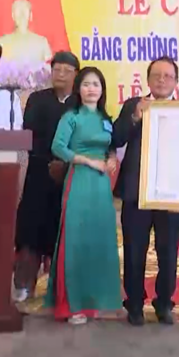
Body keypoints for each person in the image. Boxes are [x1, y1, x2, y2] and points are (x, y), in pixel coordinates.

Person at [42, 67, 121, 324]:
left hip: (101, 185)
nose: (91, 89)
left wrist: (111, 158)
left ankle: (93, 300)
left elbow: (110, 146)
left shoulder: (105, 118)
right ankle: (72, 304)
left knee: (98, 239)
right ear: (79, 89)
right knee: (75, 240)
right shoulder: (71, 117)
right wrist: (87, 161)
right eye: (86, 84)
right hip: (79, 180)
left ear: (102, 89)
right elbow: (58, 147)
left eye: (96, 84)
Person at [112, 56, 179, 326]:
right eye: (156, 75)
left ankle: (164, 303)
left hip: (171, 193)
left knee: (168, 251)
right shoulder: (134, 105)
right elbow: (116, 138)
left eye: (167, 76)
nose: (162, 80)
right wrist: (135, 117)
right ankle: (134, 304)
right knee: (134, 249)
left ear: (176, 82)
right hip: (137, 191)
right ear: (148, 79)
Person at [13, 51, 78, 302]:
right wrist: (50, 161)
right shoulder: (37, 99)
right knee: (30, 230)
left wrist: (65, 163)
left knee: (61, 231)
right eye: (57, 69)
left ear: (75, 75)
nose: (61, 74)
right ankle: (24, 285)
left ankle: (58, 288)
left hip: (70, 175)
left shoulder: (81, 103)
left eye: (67, 71)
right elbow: (30, 134)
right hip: (39, 173)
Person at [0, 0, 53, 69]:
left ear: (31, 15)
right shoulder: (2, 42)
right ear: (13, 16)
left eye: (25, 10)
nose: (22, 14)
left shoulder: (42, 42)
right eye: (18, 10)